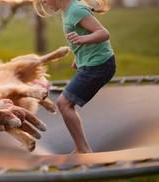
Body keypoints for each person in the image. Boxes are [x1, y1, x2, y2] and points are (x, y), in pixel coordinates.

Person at [33, 0, 116, 153]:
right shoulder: (67, 11)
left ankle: (83, 149)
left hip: (99, 65)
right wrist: (78, 58)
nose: (44, 3)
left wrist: (82, 40)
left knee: (64, 103)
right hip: (90, 64)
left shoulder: (76, 10)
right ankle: (81, 147)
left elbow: (103, 33)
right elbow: (79, 35)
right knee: (65, 103)